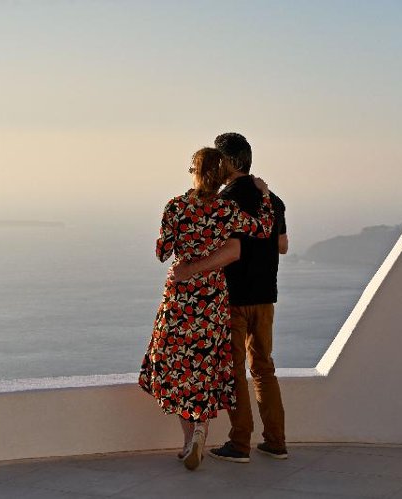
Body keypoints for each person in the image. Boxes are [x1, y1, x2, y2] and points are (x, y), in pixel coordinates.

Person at [139, 146, 274, 471]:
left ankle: (190, 440)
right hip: (212, 298)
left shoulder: (176, 206)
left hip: (181, 298)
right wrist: (264, 195)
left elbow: (162, 252)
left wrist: (178, 240)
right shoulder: (227, 210)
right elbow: (264, 229)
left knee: (176, 363)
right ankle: (201, 427)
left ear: (194, 172)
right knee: (205, 363)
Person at [172, 132, 289, 463]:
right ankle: (276, 441)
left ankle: (240, 443)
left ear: (228, 162)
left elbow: (226, 250)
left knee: (235, 371)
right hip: (265, 296)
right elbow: (282, 245)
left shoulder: (223, 202)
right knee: (264, 368)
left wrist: (189, 270)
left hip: (233, 298)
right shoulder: (272, 199)